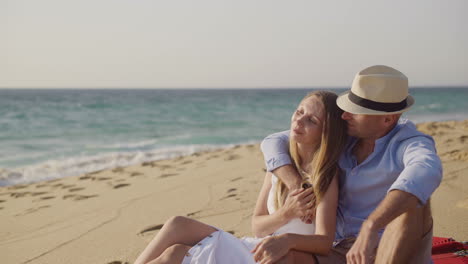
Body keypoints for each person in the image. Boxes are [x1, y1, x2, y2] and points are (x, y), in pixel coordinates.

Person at [134, 91, 348, 264]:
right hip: (255, 245)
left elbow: (324, 242)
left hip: (275, 255)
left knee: (174, 255)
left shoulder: (325, 176)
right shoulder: (280, 166)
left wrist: (287, 241)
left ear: (325, 132)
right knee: (177, 225)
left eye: (311, 120)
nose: (299, 121)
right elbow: (258, 226)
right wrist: (286, 212)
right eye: (299, 111)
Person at [261, 65, 442, 263]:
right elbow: (274, 141)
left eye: (356, 111)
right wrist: (296, 185)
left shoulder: (409, 143)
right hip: (340, 250)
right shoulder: (345, 135)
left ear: (387, 119)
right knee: (282, 258)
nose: (345, 115)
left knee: (413, 202)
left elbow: (425, 170)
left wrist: (371, 225)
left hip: (389, 246)